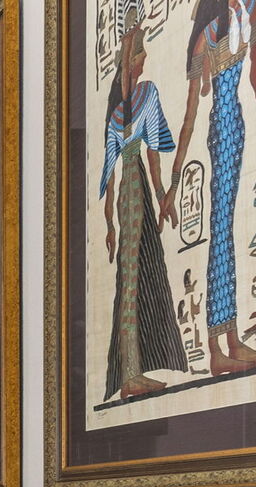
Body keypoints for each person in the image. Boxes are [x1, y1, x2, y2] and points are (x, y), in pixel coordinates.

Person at [160, 0, 256, 374]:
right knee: (220, 233)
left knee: (226, 234)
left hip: (235, 129)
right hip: (220, 132)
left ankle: (233, 339)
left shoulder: (253, 13)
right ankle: (216, 347)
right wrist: (174, 184)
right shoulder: (206, 38)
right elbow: (189, 118)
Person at [100, 14, 185, 401]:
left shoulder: (136, 101)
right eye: (141, 50)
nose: (146, 56)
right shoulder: (127, 106)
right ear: (130, 60)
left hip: (133, 195)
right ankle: (130, 374)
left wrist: (163, 194)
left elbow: (143, 160)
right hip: (131, 196)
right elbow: (115, 170)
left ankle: (134, 370)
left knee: (134, 276)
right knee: (130, 280)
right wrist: (110, 226)